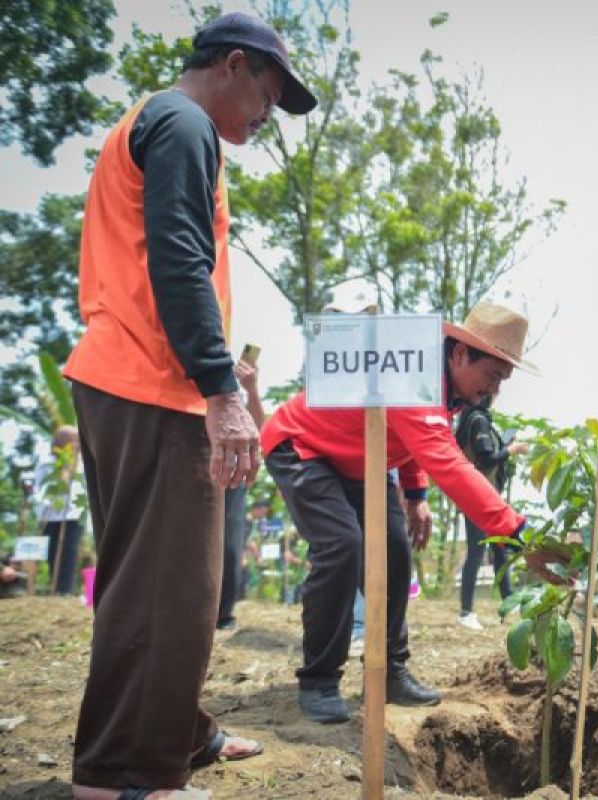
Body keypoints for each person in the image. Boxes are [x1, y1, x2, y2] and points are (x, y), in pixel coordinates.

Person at [61, 12, 315, 798]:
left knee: (154, 579)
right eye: (269, 94)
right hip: (153, 383)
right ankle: (127, 775)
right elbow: (177, 253)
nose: (268, 116)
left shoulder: (154, 122)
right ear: (234, 66)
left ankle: (180, 731)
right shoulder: (182, 122)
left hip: (122, 377)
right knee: (174, 589)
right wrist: (219, 387)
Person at [261, 301, 536, 724]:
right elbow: (449, 462)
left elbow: (404, 437)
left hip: (361, 462)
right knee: (342, 545)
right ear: (461, 354)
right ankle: (319, 679)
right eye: (493, 375)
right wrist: (518, 532)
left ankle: (389, 671)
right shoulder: (415, 374)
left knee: (394, 550)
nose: (495, 389)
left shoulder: (442, 389)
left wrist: (415, 493)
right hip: (303, 447)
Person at [456, 396, 524, 630]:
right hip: (479, 496)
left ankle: (509, 600)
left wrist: (503, 446)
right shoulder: (479, 421)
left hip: (483, 494)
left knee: (500, 548)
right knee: (477, 552)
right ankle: (466, 612)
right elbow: (486, 459)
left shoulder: (470, 420)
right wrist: (510, 450)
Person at [217, 357, 266, 630]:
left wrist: (252, 388)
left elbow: (257, 429)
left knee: (230, 548)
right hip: (198, 473)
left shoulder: (239, 399)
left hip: (233, 481)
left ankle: (223, 614)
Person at [33, 426, 87, 595]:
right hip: (49, 516)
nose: (77, 444)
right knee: (52, 554)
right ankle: (55, 588)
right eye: (73, 440)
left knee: (69, 555)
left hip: (72, 516)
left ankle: (65, 591)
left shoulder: (81, 464)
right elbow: (40, 489)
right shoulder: (46, 463)